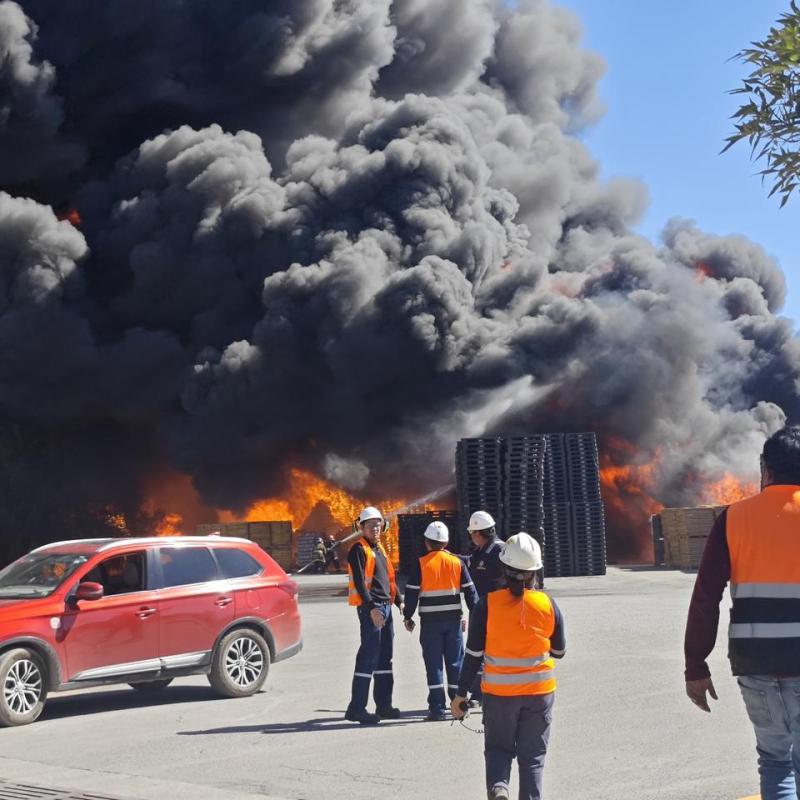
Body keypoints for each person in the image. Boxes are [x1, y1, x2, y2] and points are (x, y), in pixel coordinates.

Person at [684, 425, 800, 799]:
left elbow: (706, 597)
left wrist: (696, 665)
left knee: (776, 761)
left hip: (756, 662)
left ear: (765, 470)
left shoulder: (733, 519)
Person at [452, 533, 566, 800]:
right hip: (539, 695)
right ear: (535, 571)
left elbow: (473, 655)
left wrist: (460, 695)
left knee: (498, 749)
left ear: (503, 569)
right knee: (533, 759)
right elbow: (559, 651)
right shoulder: (548, 604)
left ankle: (499, 788)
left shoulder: (488, 605)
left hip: (499, 695)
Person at [403, 520, 478, 721]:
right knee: (455, 664)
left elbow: (411, 594)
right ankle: (458, 706)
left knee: (434, 665)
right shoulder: (457, 563)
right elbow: (471, 593)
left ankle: (436, 708)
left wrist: (407, 616)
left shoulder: (421, 564)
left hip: (430, 624)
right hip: (453, 623)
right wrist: (477, 616)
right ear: (445, 542)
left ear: (427, 542)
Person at [345, 506, 403, 725]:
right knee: (368, 656)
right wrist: (371, 608)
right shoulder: (358, 550)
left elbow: (388, 581)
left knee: (385, 658)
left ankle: (384, 705)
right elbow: (360, 582)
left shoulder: (380, 549)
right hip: (373, 608)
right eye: (370, 525)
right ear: (361, 528)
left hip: (386, 606)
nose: (375, 528)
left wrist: (399, 602)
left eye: (378, 524)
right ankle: (356, 708)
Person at [467, 510, 505, 705]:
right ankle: (480, 692)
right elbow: (471, 563)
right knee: (478, 650)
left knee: (489, 652)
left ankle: (484, 693)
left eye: (472, 533)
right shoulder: (483, 551)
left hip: (496, 611)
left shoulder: (499, 551)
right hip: (482, 609)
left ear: (478, 533)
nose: (471, 537)